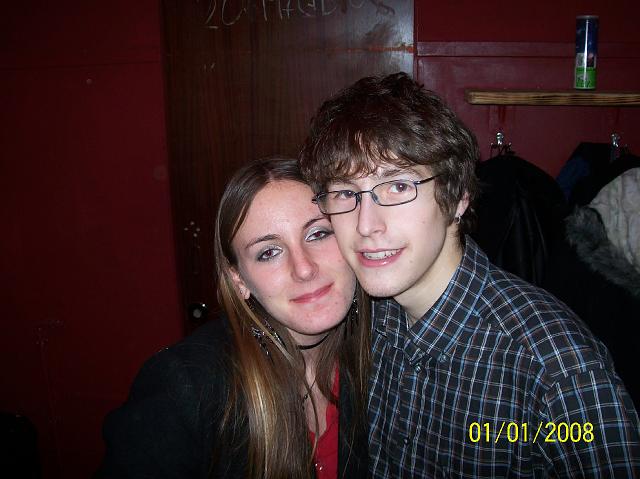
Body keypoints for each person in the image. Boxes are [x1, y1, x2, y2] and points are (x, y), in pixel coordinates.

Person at [299, 73, 640, 478]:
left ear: (458, 197)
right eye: (345, 193)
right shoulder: (368, 318)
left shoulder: (556, 370)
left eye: (398, 186)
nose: (366, 224)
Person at [96, 157, 369, 478]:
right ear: (238, 279)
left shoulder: (384, 354)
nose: (304, 269)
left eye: (318, 234)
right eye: (269, 252)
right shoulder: (186, 386)